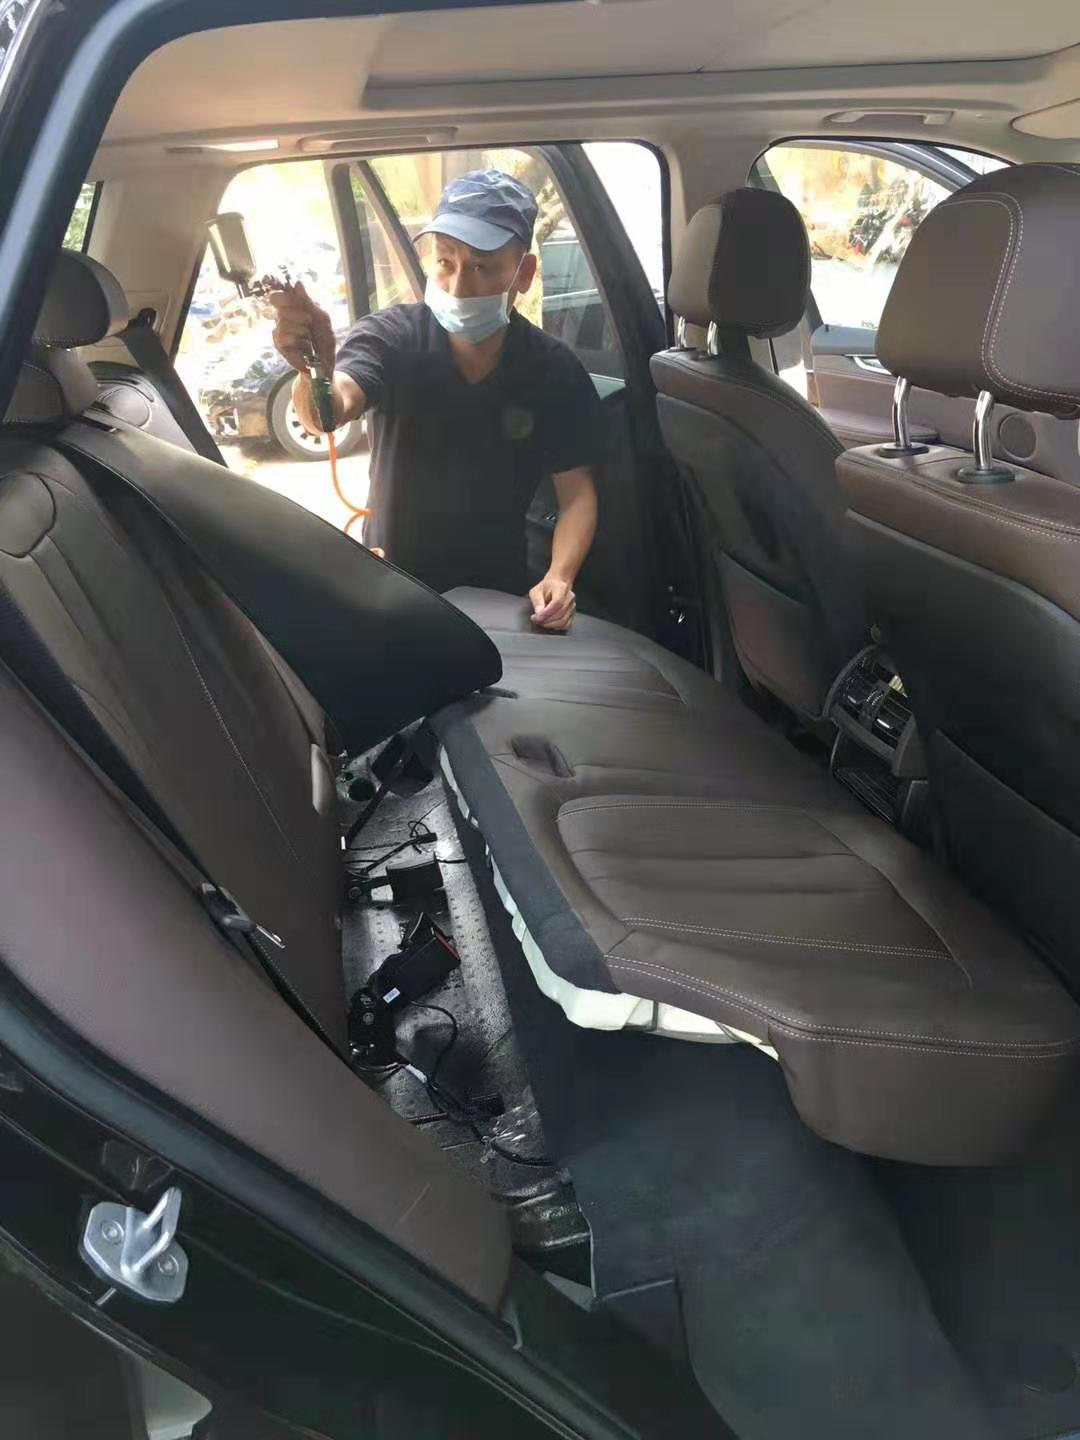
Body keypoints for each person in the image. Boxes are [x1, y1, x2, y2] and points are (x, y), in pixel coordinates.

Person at [269, 169, 600, 631]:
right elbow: (330, 411)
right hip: (392, 584)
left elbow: (577, 493)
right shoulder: (391, 337)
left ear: (523, 273)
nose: (458, 286)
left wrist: (559, 577)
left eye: (482, 267)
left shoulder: (553, 370)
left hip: (498, 596)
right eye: (445, 262)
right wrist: (313, 370)